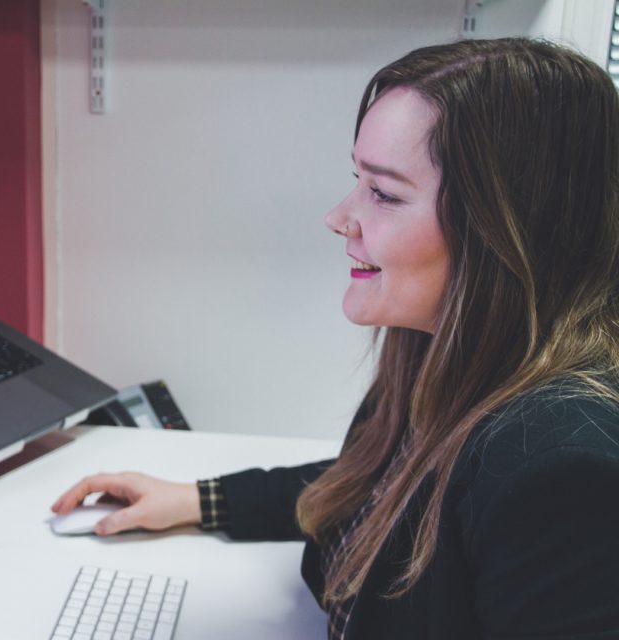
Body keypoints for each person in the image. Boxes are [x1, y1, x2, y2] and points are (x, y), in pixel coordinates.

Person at [52, 38, 619, 638]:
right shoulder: (446, 355)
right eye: (358, 180)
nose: (339, 217)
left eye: (383, 193)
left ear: (507, 231)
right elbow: (373, 488)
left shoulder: (562, 471)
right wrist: (199, 500)